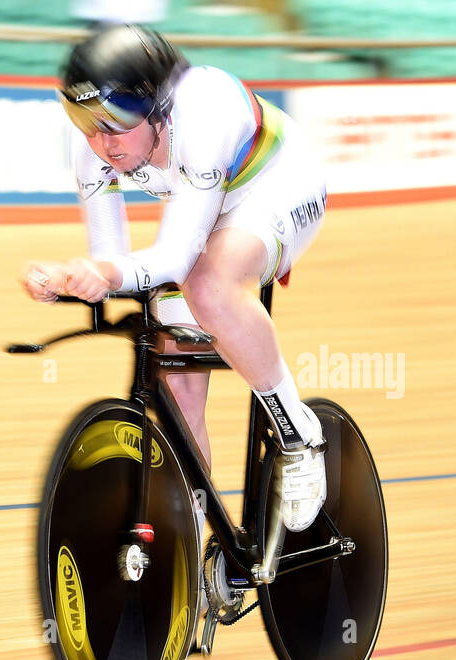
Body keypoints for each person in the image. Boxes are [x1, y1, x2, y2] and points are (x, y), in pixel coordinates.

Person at [21, 24, 329, 541]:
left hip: (278, 186)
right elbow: (112, 263)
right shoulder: (93, 148)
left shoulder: (203, 114)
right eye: (88, 127)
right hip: (205, 207)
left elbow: (174, 259)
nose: (102, 144)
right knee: (177, 384)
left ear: (160, 107)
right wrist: (75, 277)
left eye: (116, 126)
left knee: (208, 286)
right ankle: (196, 544)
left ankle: (298, 434)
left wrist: (105, 274)